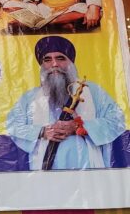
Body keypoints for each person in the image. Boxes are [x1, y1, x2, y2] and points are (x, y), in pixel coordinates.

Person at [7, 35, 125, 170]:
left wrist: (80, 127)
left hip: (87, 170)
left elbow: (117, 120)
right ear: (42, 65)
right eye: (47, 59)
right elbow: (13, 125)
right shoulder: (31, 97)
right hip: (45, 170)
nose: (54, 64)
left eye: (60, 58)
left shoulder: (91, 91)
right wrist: (42, 131)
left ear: (71, 63)